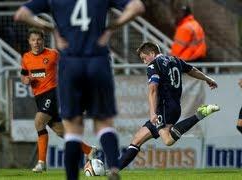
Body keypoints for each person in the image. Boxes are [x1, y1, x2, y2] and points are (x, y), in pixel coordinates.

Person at [14, 0, 145, 179]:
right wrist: (112, 27)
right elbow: (137, 6)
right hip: (97, 60)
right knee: (103, 122)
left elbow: (21, 14)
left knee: (72, 128)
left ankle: (66, 174)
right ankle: (113, 168)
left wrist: (52, 29)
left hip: (71, 62)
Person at [118, 42, 219, 170]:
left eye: (144, 58)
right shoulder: (175, 60)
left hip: (164, 108)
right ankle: (113, 170)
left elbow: (153, 89)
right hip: (173, 106)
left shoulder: (153, 65)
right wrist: (207, 78)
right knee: (137, 139)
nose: (144, 62)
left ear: (152, 53)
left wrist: (152, 113)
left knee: (168, 140)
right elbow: (192, 70)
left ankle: (200, 114)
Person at [21, 28, 96, 173]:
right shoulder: (26, 58)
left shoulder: (53, 54)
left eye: (39, 39)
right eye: (33, 40)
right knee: (61, 132)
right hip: (39, 96)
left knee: (39, 122)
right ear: (29, 42)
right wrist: (26, 80)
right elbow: (23, 76)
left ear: (43, 40)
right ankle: (89, 150)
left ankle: (41, 163)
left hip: (53, 93)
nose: (36, 43)